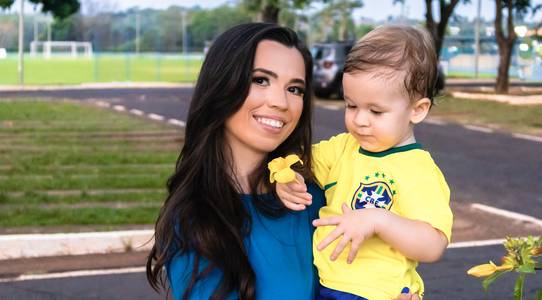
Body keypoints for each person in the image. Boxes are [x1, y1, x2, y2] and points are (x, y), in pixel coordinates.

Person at [146, 22, 421, 300]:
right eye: (261, 80)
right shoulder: (195, 218)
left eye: (295, 89)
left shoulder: (316, 197)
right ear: (221, 84)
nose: (280, 102)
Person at [276, 25, 454, 299]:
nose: (359, 120)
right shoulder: (343, 147)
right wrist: (285, 177)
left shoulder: (419, 171)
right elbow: (296, 162)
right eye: (351, 105)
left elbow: (432, 245)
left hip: (379, 293)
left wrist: (379, 220)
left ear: (417, 110)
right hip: (324, 285)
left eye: (376, 110)